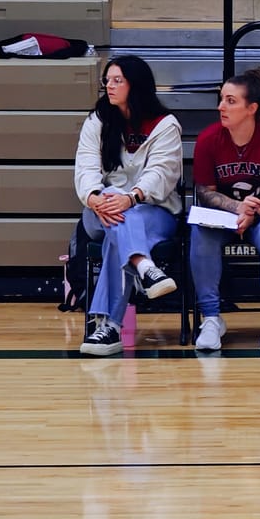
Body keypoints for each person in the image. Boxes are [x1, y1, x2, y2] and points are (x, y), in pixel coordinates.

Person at [74, 55, 182, 357]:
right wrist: (94, 197)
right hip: (99, 211)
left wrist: (131, 197)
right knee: (116, 212)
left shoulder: (165, 125)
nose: (109, 86)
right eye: (107, 80)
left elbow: (161, 174)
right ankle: (145, 268)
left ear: (136, 85)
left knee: (119, 234)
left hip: (154, 212)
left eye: (117, 80)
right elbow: (85, 167)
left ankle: (108, 327)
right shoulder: (97, 120)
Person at [188, 67, 260, 354]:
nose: (221, 107)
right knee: (200, 232)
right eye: (221, 99)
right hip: (225, 213)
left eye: (230, 101)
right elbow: (205, 191)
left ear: (252, 108)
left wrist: (252, 213)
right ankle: (211, 318)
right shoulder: (209, 139)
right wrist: (238, 207)